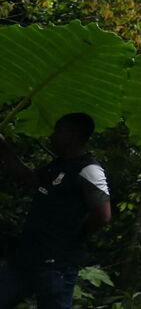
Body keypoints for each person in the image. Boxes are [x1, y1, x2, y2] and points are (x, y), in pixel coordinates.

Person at [0, 112, 111, 309]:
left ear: (73, 135)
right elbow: (29, 179)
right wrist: (3, 147)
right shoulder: (58, 165)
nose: (52, 136)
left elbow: (102, 215)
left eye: (57, 131)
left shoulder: (88, 170)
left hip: (56, 264)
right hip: (27, 257)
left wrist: (73, 234)